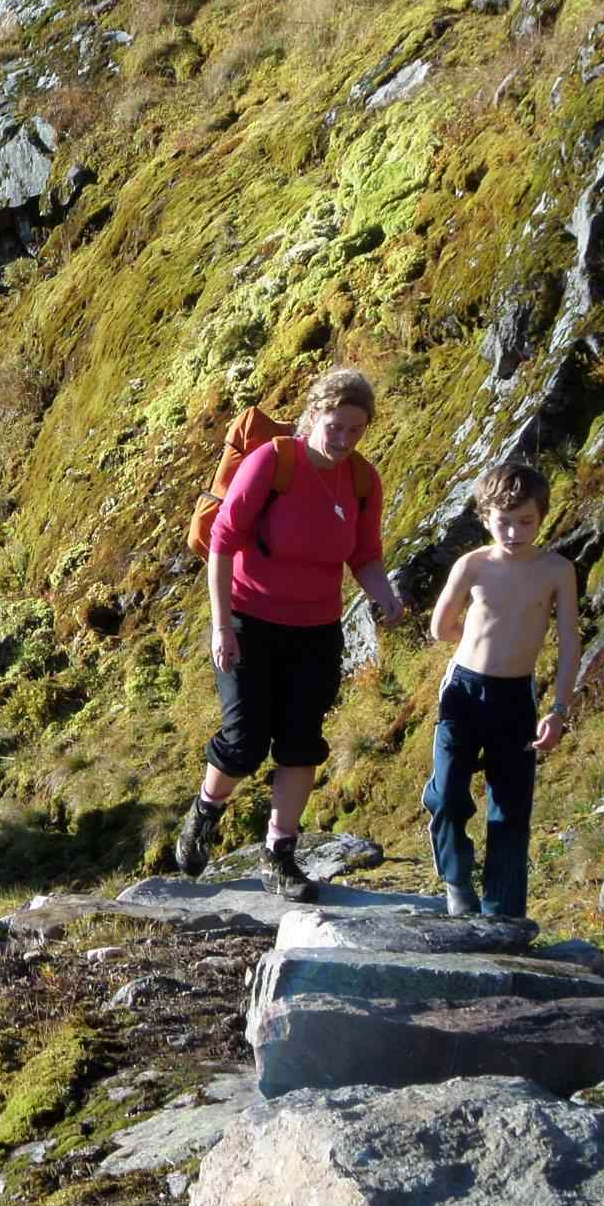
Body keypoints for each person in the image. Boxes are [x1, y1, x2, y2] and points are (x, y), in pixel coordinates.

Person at [173, 369, 406, 901]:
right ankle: (207, 810)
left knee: (301, 744)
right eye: (336, 426)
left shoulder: (363, 481)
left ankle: (279, 855)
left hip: (316, 631)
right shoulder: (273, 461)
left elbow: (364, 555)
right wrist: (220, 627)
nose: (344, 439)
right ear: (314, 414)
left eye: (355, 430)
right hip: (248, 620)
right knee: (244, 741)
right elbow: (222, 545)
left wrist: (384, 594)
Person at [422, 462, 579, 918]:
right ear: (485, 516)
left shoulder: (556, 571)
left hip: (516, 698)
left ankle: (504, 913)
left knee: (510, 809)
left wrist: (559, 709)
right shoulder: (472, 565)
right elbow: (439, 627)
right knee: (450, 793)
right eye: (503, 521)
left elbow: (570, 640)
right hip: (465, 691)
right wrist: (476, 638)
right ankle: (456, 879)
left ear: (541, 516)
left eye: (525, 521)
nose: (513, 531)